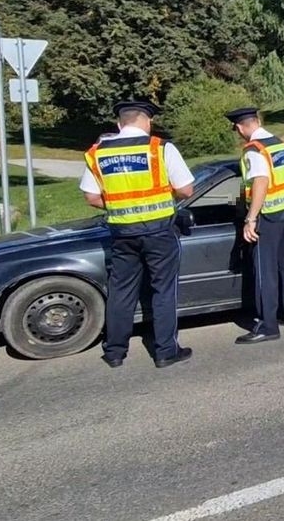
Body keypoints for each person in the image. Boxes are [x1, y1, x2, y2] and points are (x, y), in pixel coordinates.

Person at [81, 100, 195, 369]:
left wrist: (123, 205)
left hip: (122, 233)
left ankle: (115, 352)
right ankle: (166, 351)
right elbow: (187, 190)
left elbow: (91, 197)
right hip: (159, 231)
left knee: (121, 291)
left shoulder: (97, 152)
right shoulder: (159, 148)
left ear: (119, 124)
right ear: (147, 121)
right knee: (163, 290)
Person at [226, 107, 284, 344]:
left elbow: (260, 181)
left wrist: (251, 219)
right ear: (258, 121)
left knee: (265, 271)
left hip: (268, 217)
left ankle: (268, 326)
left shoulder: (254, 149)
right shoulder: (281, 144)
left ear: (240, 128)